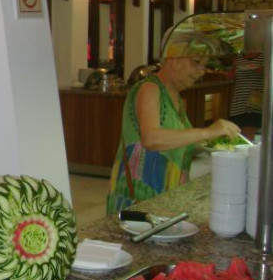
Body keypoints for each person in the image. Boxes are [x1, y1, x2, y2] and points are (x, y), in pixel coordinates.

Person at [106, 31, 240, 214]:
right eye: (196, 62)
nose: (201, 71)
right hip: (139, 200)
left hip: (163, 198)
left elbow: (174, 142)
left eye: (204, 65)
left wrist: (208, 145)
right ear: (172, 57)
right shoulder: (150, 89)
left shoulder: (175, 96)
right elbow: (151, 139)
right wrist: (207, 132)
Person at [229, 51, 264, 141]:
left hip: (255, 103)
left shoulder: (264, 56)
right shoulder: (239, 57)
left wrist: (264, 71)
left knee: (247, 137)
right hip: (238, 102)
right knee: (237, 135)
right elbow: (232, 74)